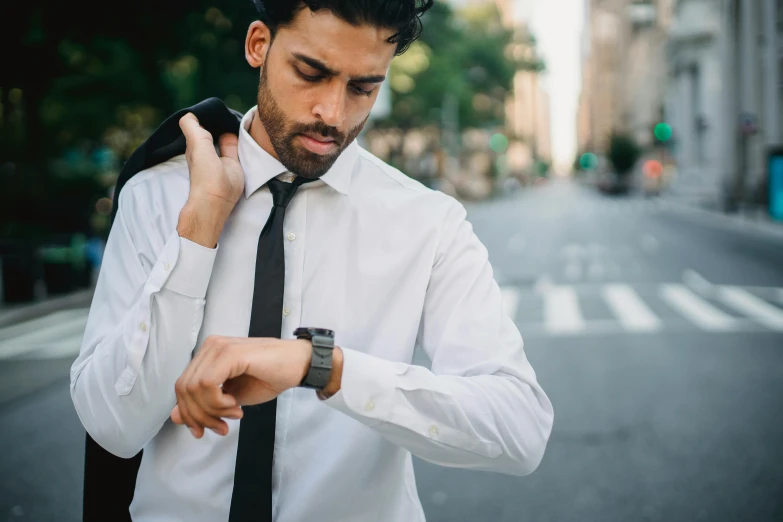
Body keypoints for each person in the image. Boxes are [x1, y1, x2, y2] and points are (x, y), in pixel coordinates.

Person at [70, 1, 554, 521]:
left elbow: (519, 429)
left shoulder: (428, 223)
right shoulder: (156, 198)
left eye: (363, 87)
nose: (334, 114)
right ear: (259, 45)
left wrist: (323, 366)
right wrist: (198, 234)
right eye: (311, 72)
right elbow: (113, 428)